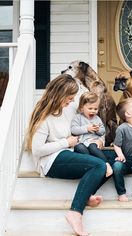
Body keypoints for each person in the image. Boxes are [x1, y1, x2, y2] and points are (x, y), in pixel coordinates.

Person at [25, 74, 107, 236]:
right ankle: (75, 212)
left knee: (115, 161)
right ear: (59, 95)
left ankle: (87, 194)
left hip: (70, 151)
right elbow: (37, 149)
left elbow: (88, 102)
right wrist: (66, 143)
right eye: (69, 98)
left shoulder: (67, 109)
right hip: (51, 160)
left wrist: (101, 141)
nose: (71, 101)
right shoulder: (43, 117)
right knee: (99, 165)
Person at [71, 91, 113, 177]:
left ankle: (106, 164)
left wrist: (97, 130)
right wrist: (86, 128)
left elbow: (102, 131)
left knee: (93, 147)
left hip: (92, 141)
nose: (93, 111)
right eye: (90, 108)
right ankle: (91, 165)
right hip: (81, 142)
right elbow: (74, 130)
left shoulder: (97, 118)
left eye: (95, 109)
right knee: (79, 148)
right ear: (82, 108)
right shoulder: (78, 117)